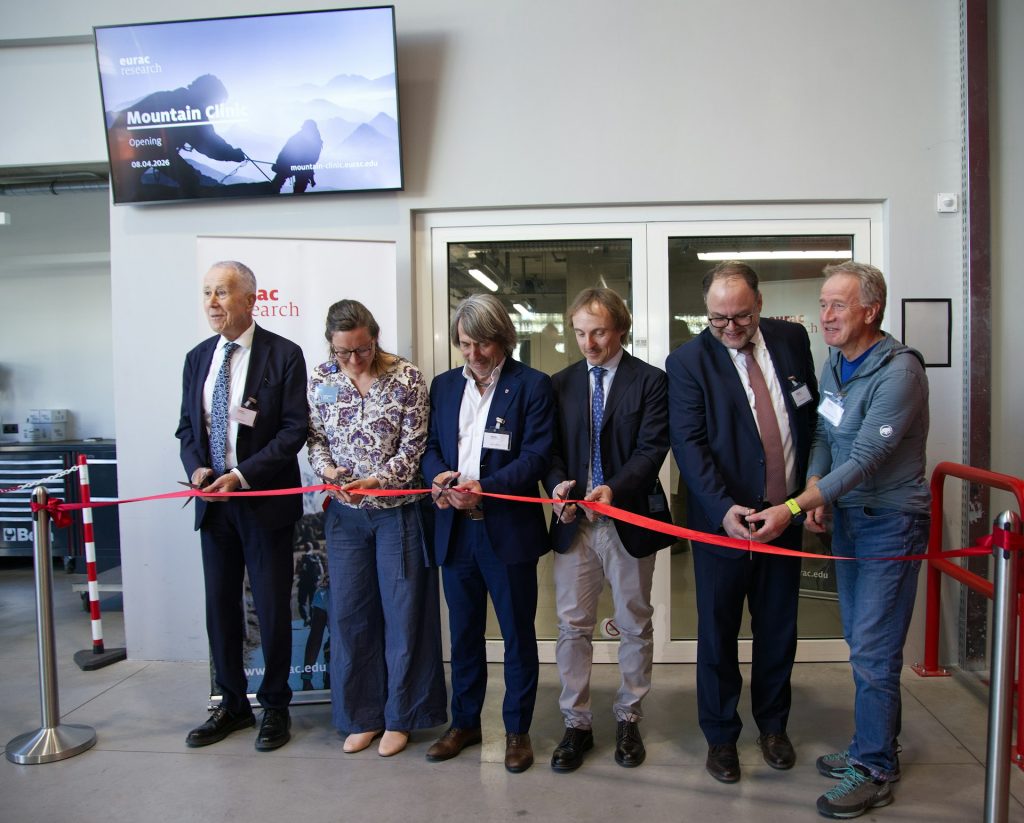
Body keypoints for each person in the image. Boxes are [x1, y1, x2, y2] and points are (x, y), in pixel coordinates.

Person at [747, 261, 929, 819]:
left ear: (870, 311)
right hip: (849, 517)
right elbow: (824, 434)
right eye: (823, 305)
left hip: (889, 522)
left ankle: (875, 768)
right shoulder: (836, 365)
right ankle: (873, 744)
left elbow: (869, 458)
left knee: (874, 653)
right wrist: (816, 490)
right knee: (863, 643)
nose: (825, 316)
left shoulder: (900, 371)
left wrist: (799, 505)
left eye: (837, 305)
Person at [665, 261, 818, 784]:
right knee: (719, 634)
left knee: (779, 631)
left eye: (742, 317)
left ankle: (773, 727)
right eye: (718, 319)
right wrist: (721, 507)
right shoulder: (688, 361)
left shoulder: (793, 339)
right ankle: (722, 736)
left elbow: (810, 417)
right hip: (724, 524)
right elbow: (689, 444)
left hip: (785, 519)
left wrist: (809, 493)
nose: (731, 328)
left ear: (760, 303)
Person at [176, 260, 307, 752]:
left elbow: (294, 430)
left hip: (262, 501)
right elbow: (188, 428)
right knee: (221, 607)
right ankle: (230, 703)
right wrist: (199, 470)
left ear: (251, 299)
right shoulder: (197, 358)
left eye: (222, 292)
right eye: (207, 292)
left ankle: (274, 705)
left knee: (272, 606)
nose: (212, 302)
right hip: (213, 504)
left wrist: (242, 475)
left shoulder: (284, 355)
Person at [421, 293, 555, 773]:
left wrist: (486, 489)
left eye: (483, 344)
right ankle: (465, 723)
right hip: (455, 531)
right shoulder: (442, 387)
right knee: (463, 634)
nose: (474, 355)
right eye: (464, 344)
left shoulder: (532, 386)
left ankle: (517, 731)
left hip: (507, 531)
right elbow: (431, 447)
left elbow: (536, 457)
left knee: (519, 634)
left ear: (503, 339)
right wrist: (439, 478)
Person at [306, 299, 447, 757]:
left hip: (396, 511)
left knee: (404, 614)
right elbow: (316, 440)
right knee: (350, 615)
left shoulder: (407, 377)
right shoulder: (322, 378)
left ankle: (402, 716)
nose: (352, 360)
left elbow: (414, 447)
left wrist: (380, 480)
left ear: (375, 336)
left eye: (361, 350)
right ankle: (360, 715)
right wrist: (327, 472)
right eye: (342, 352)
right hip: (345, 517)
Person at [545, 287, 672, 772]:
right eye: (580, 332)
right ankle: (576, 722)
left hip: (626, 519)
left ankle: (628, 716)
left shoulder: (650, 381)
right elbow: (550, 450)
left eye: (597, 331)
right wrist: (558, 486)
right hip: (574, 523)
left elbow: (651, 449)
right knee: (572, 625)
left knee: (634, 622)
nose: (588, 342)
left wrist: (614, 489)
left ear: (620, 326)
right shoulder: (560, 383)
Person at [112, 75, 246, 199]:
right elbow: (207, 143)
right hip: (149, 150)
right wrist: (234, 154)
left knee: (129, 185)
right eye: (217, 103)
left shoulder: (167, 97)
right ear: (209, 95)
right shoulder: (191, 108)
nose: (215, 108)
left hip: (126, 147)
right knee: (189, 180)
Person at [270, 119, 323, 194]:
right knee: (298, 189)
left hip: (292, 165)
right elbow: (312, 159)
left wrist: (279, 164)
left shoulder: (298, 137)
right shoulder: (316, 140)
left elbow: (285, 151)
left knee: (278, 183)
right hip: (298, 167)